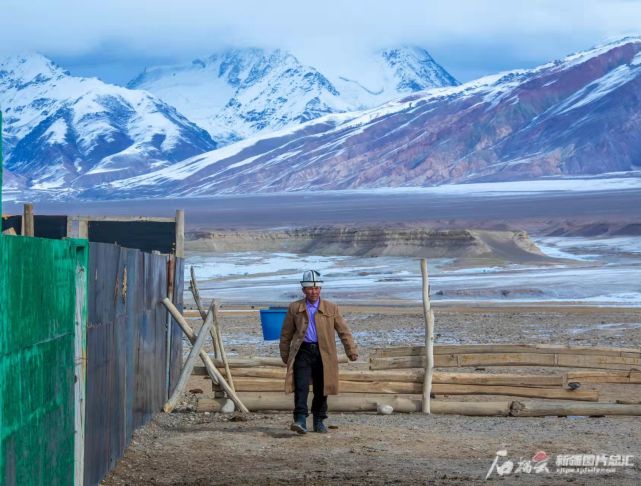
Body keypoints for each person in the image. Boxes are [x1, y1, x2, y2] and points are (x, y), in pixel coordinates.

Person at [279, 270, 358, 434]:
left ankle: (318, 420)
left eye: (316, 288)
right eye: (309, 289)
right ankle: (300, 419)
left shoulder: (331, 307)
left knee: (322, 388)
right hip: (303, 352)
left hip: (325, 353)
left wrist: (351, 350)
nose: (313, 291)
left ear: (320, 289)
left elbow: (343, 330)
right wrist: (285, 355)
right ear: (303, 290)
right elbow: (286, 333)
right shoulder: (295, 307)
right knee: (300, 386)